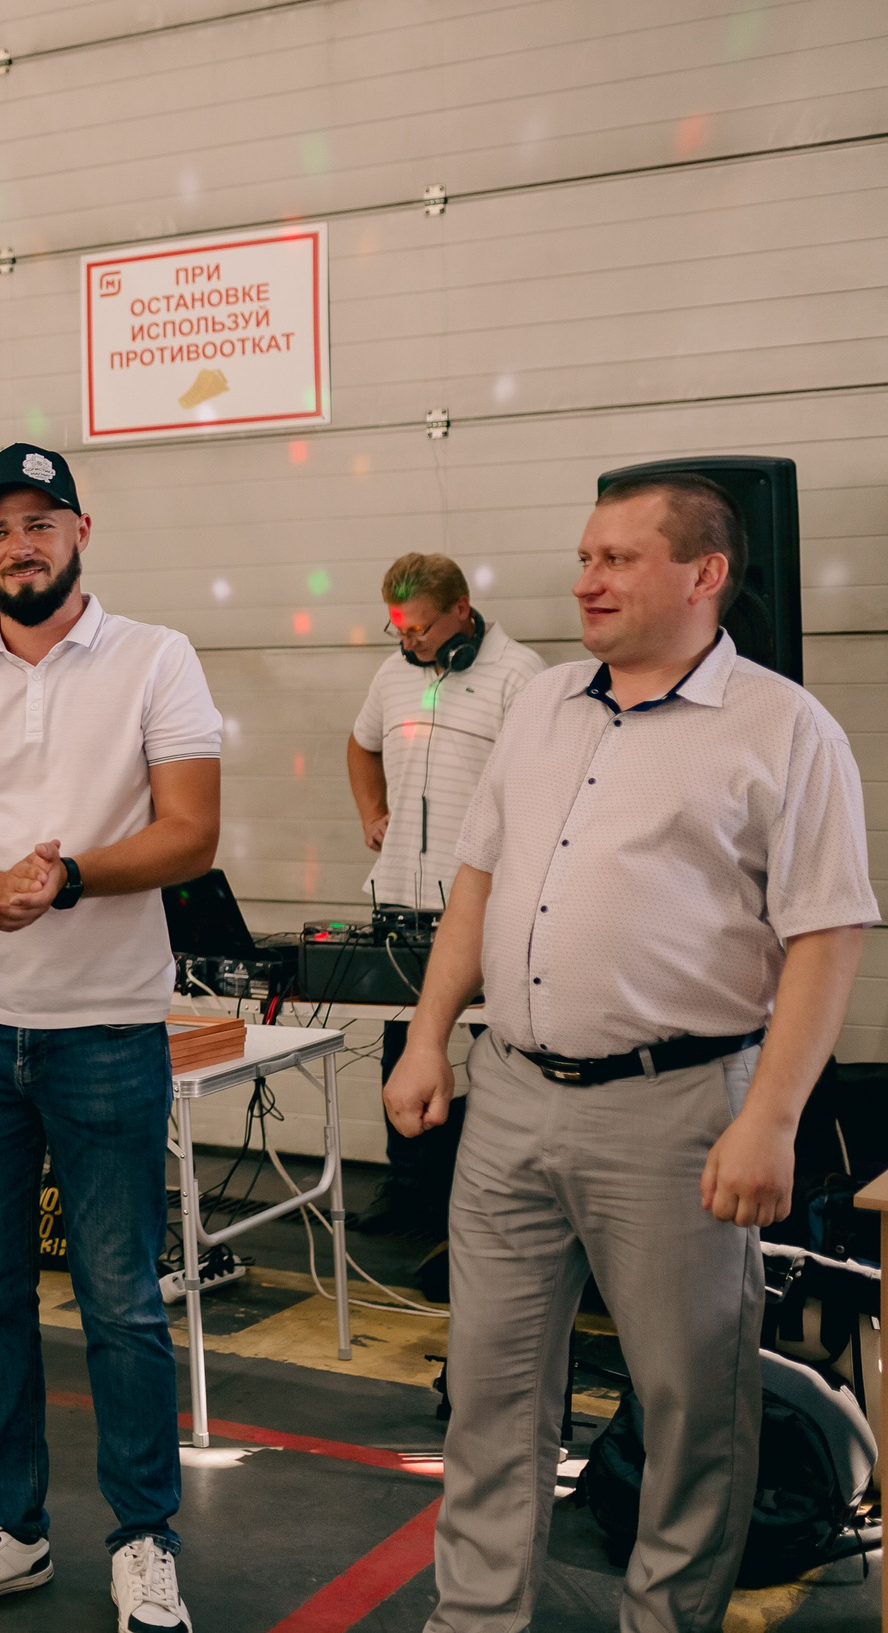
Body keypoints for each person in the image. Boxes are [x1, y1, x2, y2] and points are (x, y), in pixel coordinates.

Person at [386, 473, 873, 1633]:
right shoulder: (544, 704)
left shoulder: (781, 728)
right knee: (490, 1400)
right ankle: (473, 1618)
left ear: (702, 575)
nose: (584, 578)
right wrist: (425, 1035)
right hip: (509, 1099)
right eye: (584, 554)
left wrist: (772, 1116)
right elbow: (478, 883)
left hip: (678, 1112)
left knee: (690, 1406)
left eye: (615, 558)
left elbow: (826, 930)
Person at [0, 445, 219, 1632]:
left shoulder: (156, 657)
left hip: (107, 1030)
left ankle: (143, 1536)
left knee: (120, 1300)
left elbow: (190, 834)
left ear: (79, 530)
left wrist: (61, 879)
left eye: (41, 522)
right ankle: (9, 1527)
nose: (20, 544)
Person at [342, 552, 542, 1238]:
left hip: (482, 902)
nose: (408, 644)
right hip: (401, 894)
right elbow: (361, 744)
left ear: (462, 609)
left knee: (490, 1048)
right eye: (398, 630)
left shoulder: (522, 676)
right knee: (405, 1043)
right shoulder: (393, 675)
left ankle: (486, 1202)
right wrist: (373, 810)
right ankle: (410, 1189)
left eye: (420, 630)